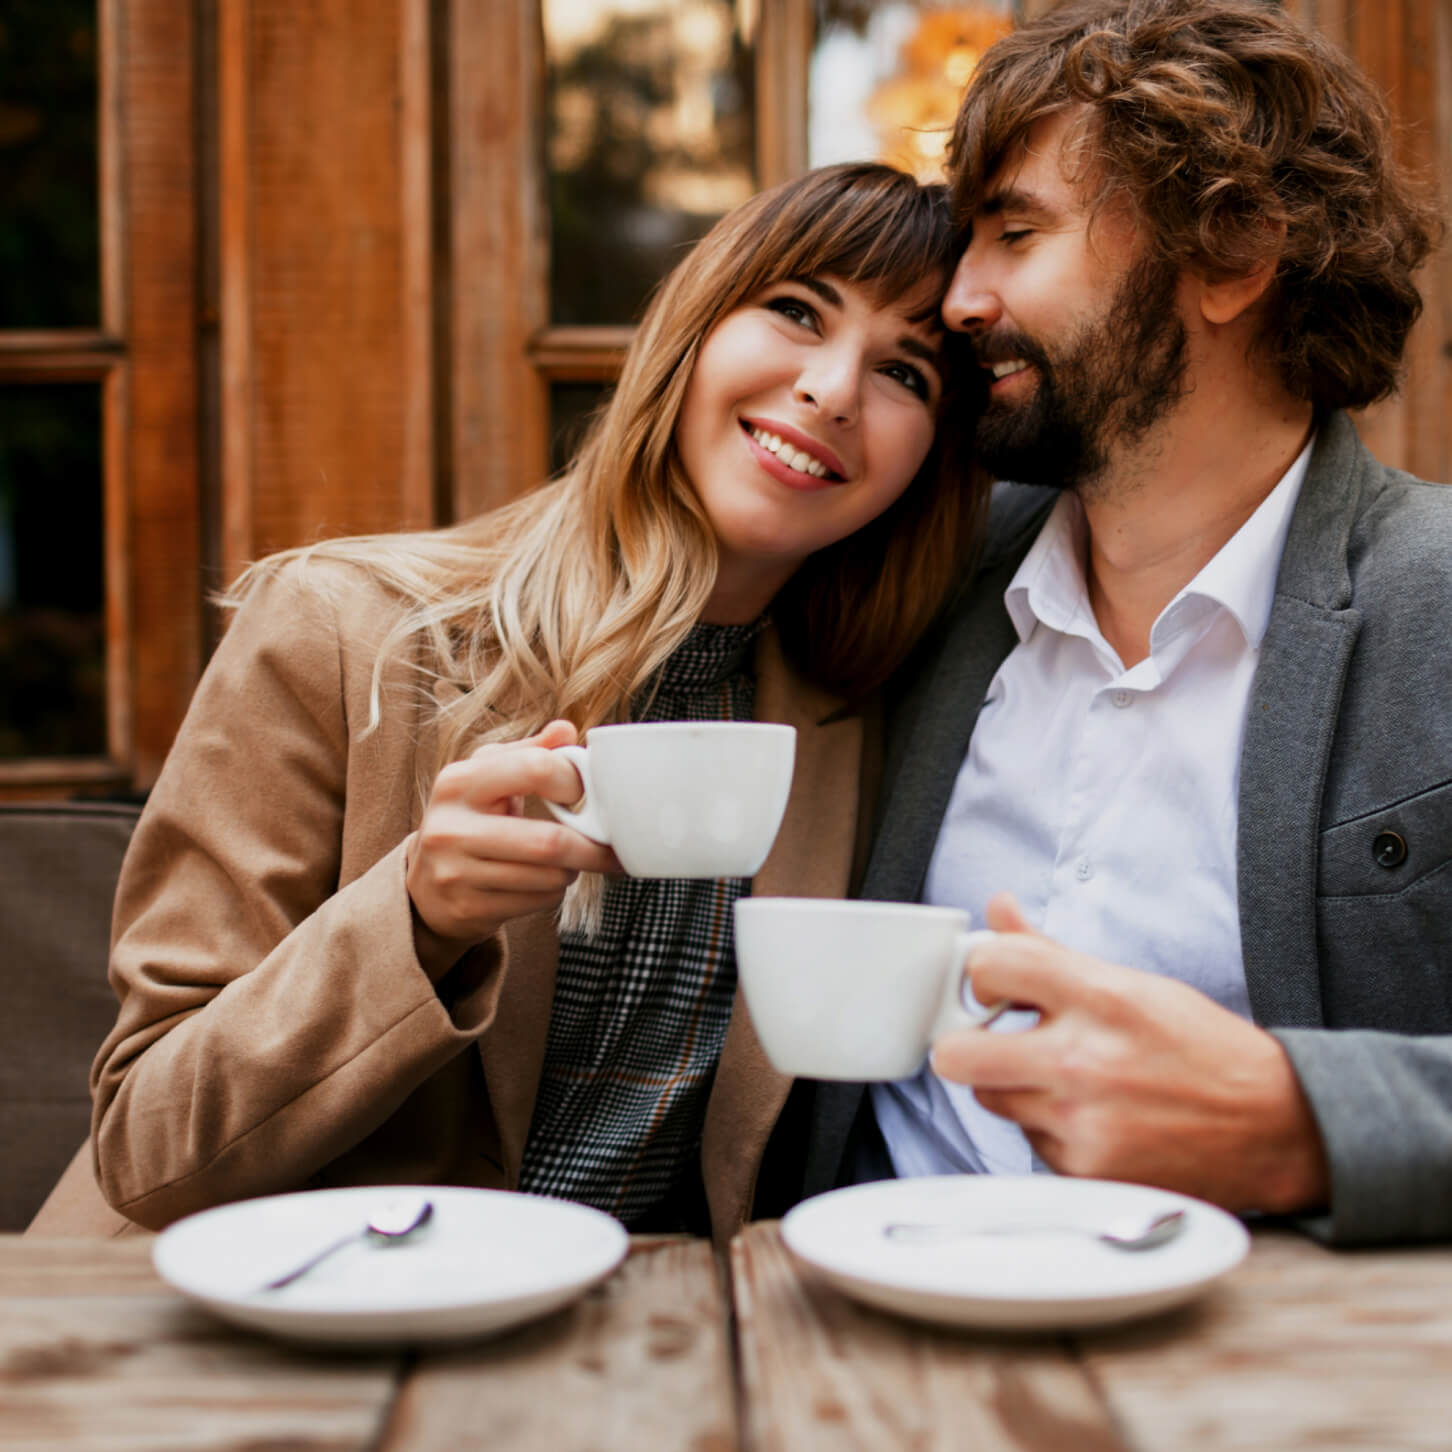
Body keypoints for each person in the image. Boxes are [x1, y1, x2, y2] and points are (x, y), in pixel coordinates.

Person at [37, 164, 984, 1242]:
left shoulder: (873, 717)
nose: (833, 389)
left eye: (906, 370)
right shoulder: (342, 632)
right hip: (261, 1338)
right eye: (796, 311)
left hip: (631, 1345)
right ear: (692, 331)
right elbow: (148, 1144)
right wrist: (417, 917)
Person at [802, 0, 1452, 1245]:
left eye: (1016, 233)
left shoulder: (1437, 596)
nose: (959, 297)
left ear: (1234, 252)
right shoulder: (916, 572)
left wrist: (1306, 1121)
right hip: (859, 1351)